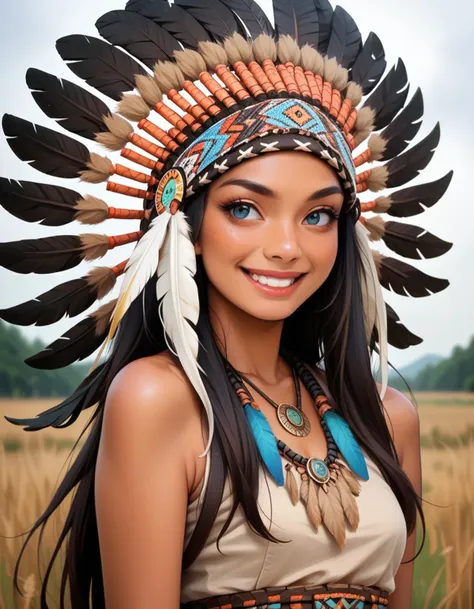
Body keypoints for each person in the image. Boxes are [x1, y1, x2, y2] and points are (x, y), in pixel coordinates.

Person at [0, 0, 454, 607]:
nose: (288, 247)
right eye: (244, 207)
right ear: (182, 222)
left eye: (318, 215)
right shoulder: (157, 401)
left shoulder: (387, 418)